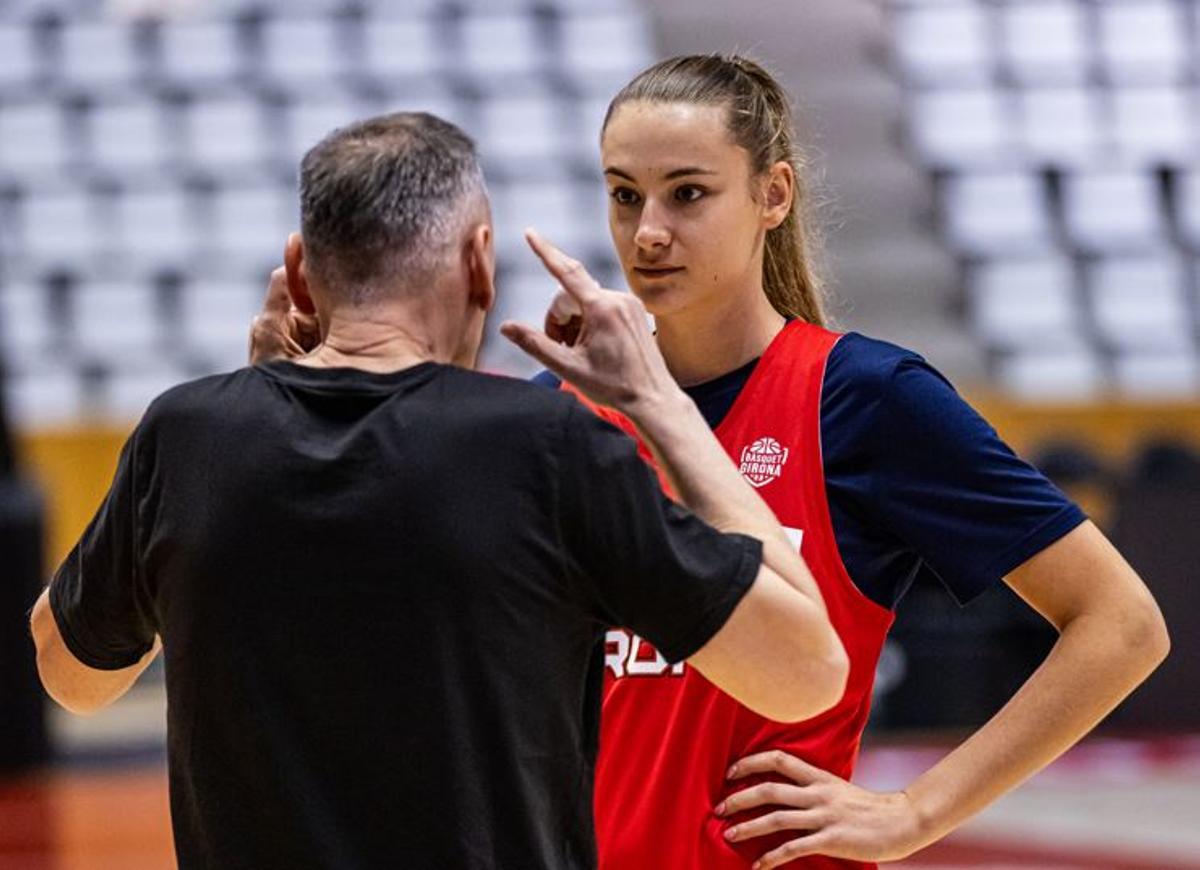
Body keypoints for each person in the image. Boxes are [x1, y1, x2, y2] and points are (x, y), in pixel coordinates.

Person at [28, 112, 850, 870]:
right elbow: (806, 670)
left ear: (301, 276)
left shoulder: (187, 436)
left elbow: (72, 675)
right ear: (477, 263)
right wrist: (657, 403)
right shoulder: (546, 447)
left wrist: (244, 431)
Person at [512, 54, 1170, 869]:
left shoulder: (866, 399)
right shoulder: (557, 411)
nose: (648, 230)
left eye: (688, 193)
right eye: (624, 194)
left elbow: (1122, 624)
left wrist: (916, 811)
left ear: (772, 195)